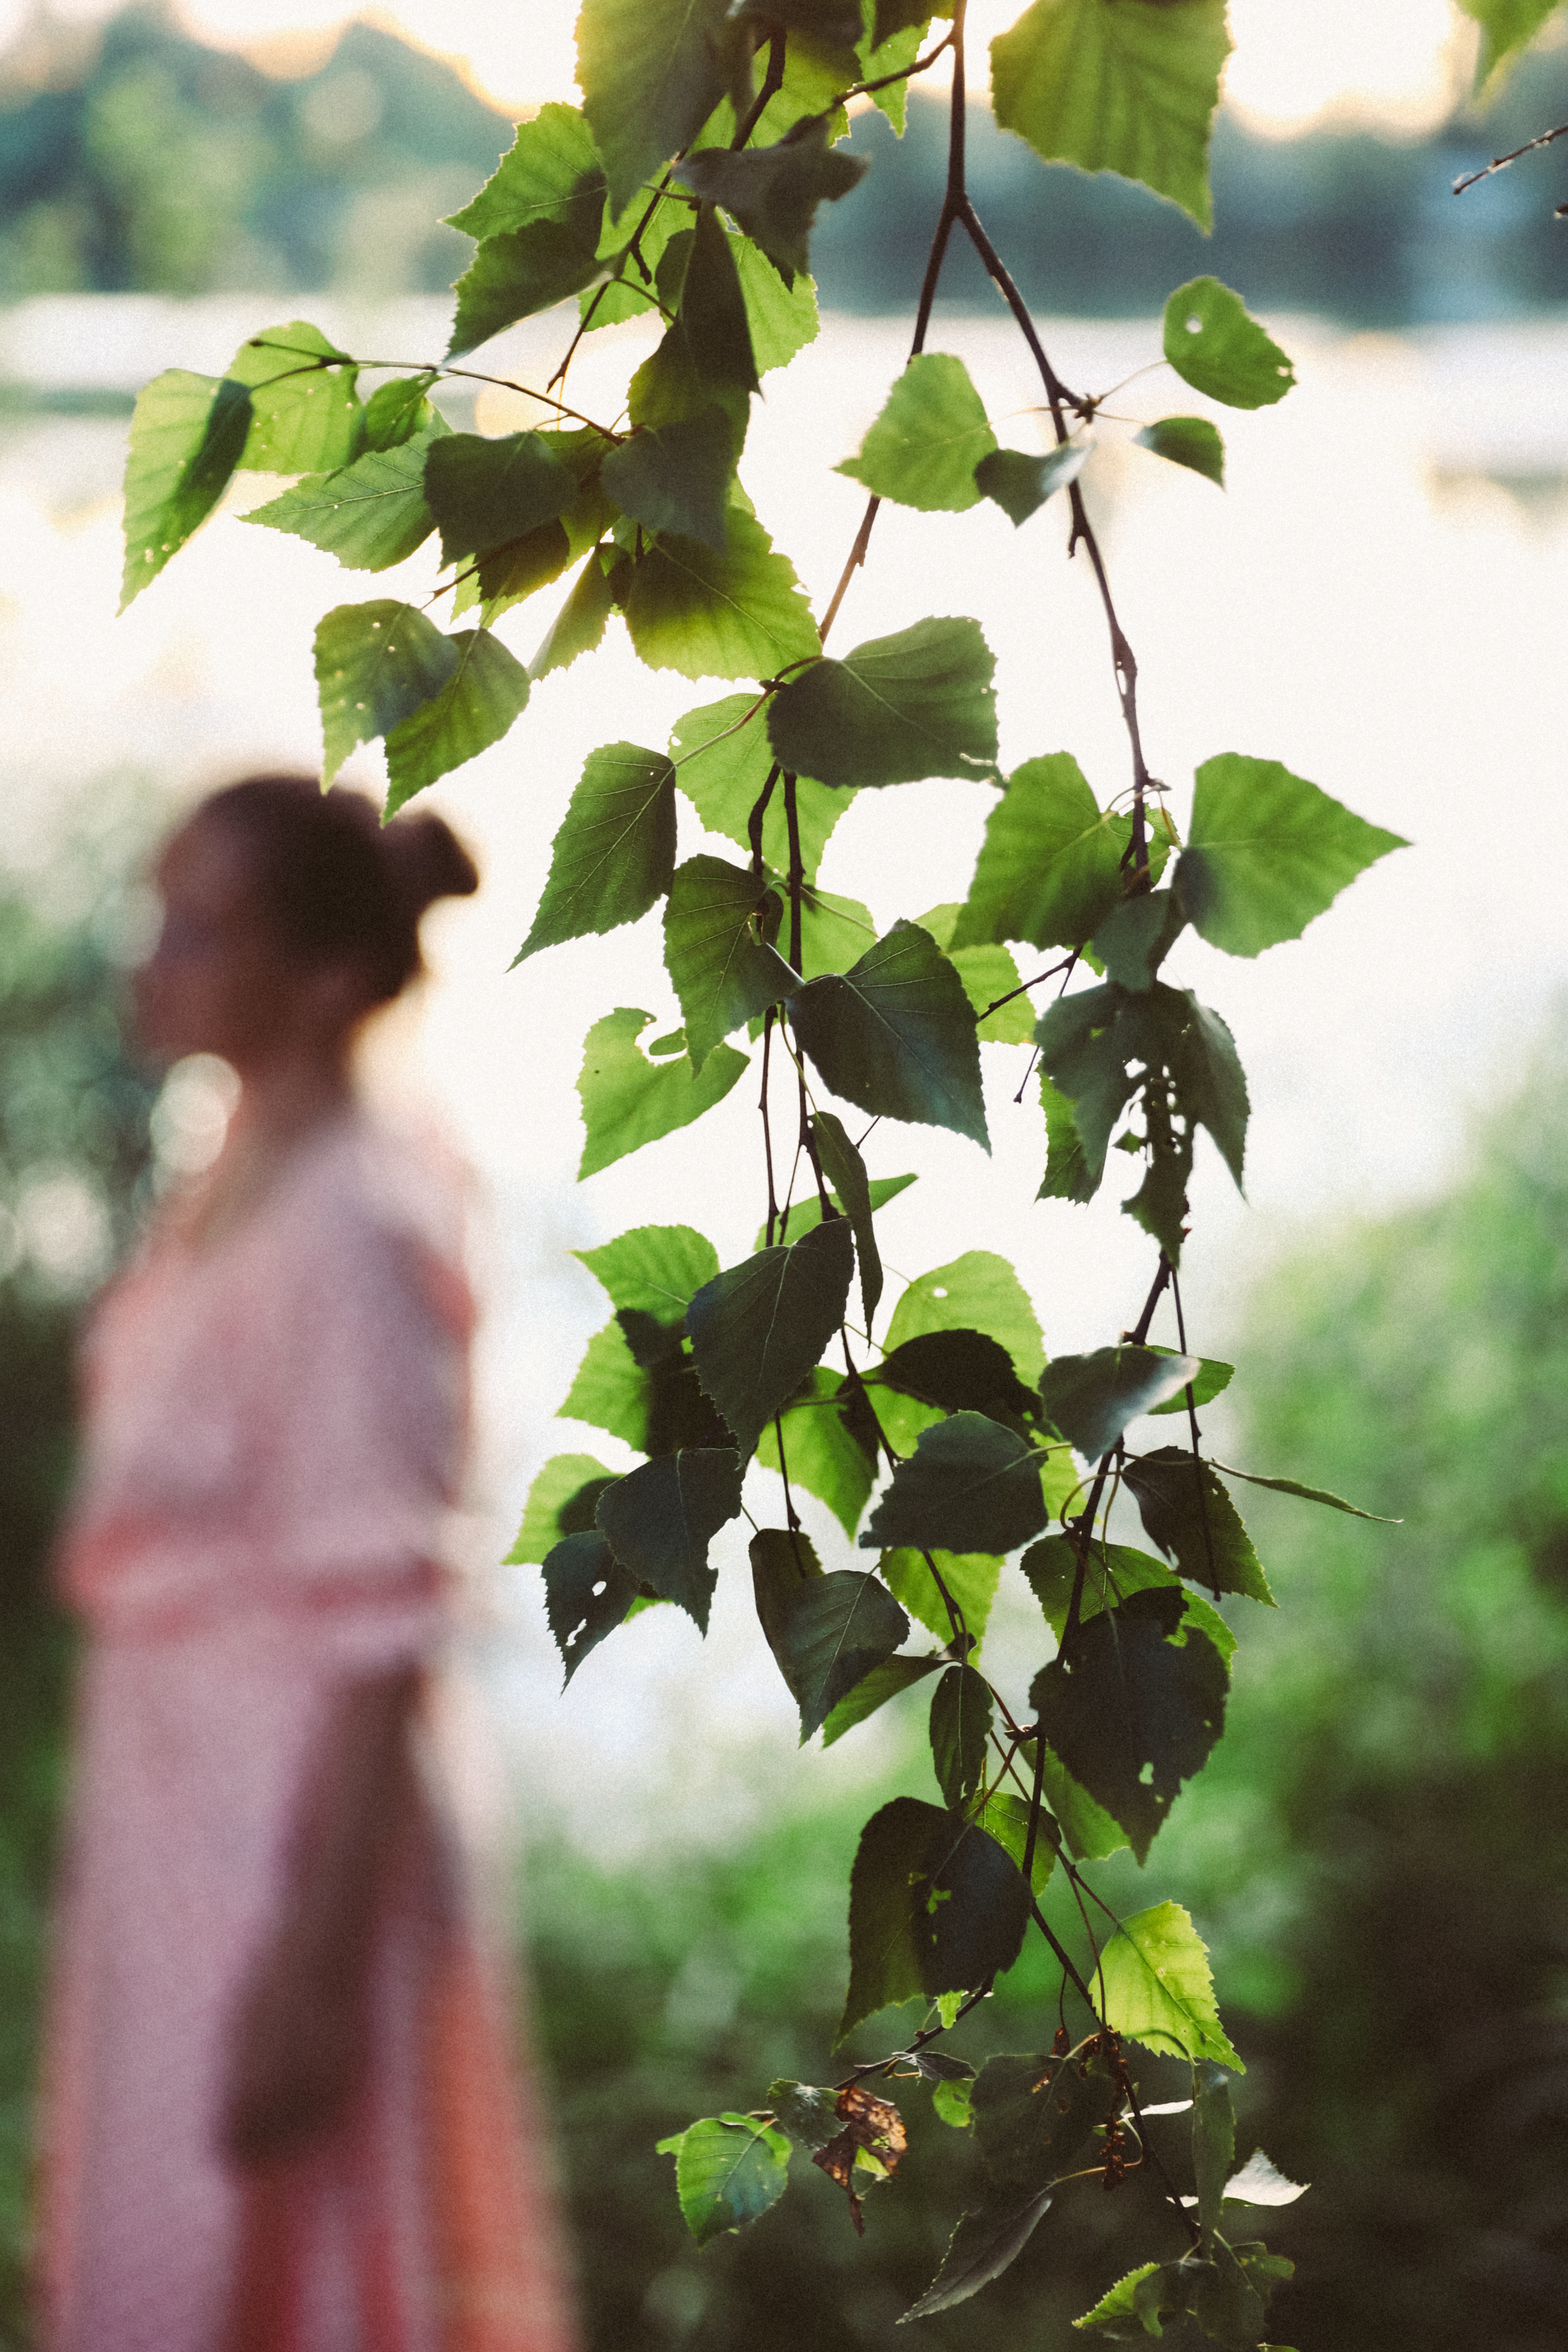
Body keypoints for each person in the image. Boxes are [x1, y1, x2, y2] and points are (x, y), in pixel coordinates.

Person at [40, 776, 579, 2352]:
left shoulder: (351, 1219)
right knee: (174, 2236)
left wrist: (313, 1970)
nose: (156, 959)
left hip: (287, 1836)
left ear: (328, 977)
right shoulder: (240, 1163)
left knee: (278, 2244)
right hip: (178, 1802)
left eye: (202, 930)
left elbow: (387, 1619)